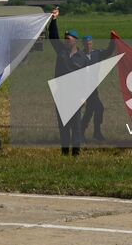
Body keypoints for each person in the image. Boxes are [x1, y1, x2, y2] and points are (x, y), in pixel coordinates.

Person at [47, 9, 83, 155]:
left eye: (68, 38)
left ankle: (76, 153)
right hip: (61, 95)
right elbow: (53, 36)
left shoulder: (82, 58)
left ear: (75, 40)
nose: (66, 40)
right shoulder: (61, 51)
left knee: (76, 126)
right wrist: (54, 20)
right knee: (63, 125)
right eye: (65, 38)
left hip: (75, 96)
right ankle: (64, 152)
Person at [78, 34, 116, 142]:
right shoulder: (79, 56)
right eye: (86, 44)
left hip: (93, 88)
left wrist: (113, 40)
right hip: (83, 88)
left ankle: (84, 132)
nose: (88, 46)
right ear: (83, 44)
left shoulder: (97, 54)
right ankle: (95, 132)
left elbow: (109, 51)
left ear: (92, 43)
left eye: (90, 44)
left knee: (91, 109)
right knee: (98, 108)